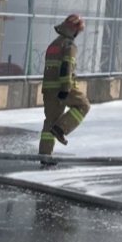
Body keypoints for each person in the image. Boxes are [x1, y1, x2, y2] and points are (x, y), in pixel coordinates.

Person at [38, 13, 90, 155]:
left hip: (48, 88)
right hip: (62, 86)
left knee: (50, 121)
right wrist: (66, 87)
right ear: (73, 30)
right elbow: (66, 66)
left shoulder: (53, 45)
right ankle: (61, 128)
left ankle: (45, 155)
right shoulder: (69, 45)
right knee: (83, 105)